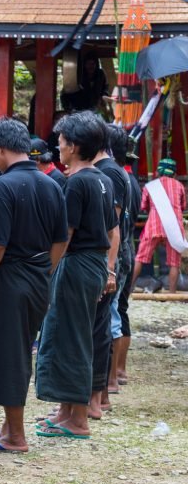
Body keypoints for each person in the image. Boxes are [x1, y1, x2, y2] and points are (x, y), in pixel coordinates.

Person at [0, 118, 67, 453]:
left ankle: (16, 436)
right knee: (21, 348)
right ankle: (8, 428)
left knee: (10, 355)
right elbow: (61, 239)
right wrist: (45, 269)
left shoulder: (1, 188)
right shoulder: (52, 184)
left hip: (8, 278)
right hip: (39, 277)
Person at [35, 111, 117, 441]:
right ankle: (67, 411)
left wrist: (48, 269)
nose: (58, 144)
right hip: (94, 263)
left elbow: (65, 234)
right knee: (73, 333)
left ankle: (78, 418)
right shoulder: (103, 179)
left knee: (72, 338)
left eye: (62, 140)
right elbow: (113, 231)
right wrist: (109, 270)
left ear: (75, 146)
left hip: (76, 263)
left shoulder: (77, 182)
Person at [90, 125, 132, 417]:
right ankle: (104, 389)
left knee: (106, 320)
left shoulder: (110, 173)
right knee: (108, 318)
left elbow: (112, 226)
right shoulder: (115, 171)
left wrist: (109, 268)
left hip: (110, 256)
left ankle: (106, 388)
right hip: (112, 255)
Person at [108, 129, 140, 394]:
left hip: (117, 252)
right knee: (120, 308)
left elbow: (115, 225)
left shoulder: (115, 178)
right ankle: (118, 371)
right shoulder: (129, 178)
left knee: (113, 312)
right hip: (126, 249)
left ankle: (112, 377)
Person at [130, 158, 186, 294]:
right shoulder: (179, 186)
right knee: (174, 262)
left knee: (140, 258)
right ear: (174, 173)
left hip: (153, 226)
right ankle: (172, 294)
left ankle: (129, 290)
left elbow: (143, 206)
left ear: (158, 172)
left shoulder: (151, 186)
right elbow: (183, 206)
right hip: (174, 228)